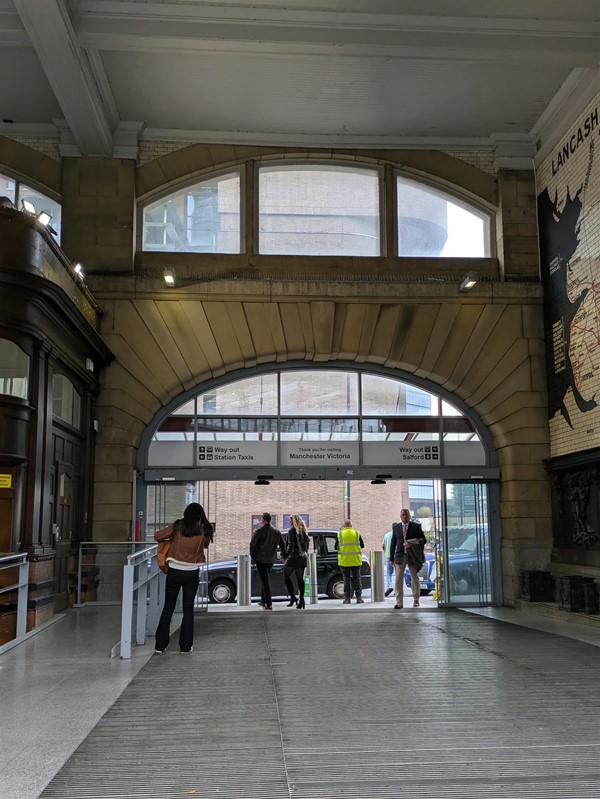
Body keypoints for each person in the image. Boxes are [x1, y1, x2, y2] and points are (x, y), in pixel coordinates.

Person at [154, 502, 213, 653]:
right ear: (201, 515)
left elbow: (158, 536)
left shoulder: (177, 526)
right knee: (188, 610)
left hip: (174, 571)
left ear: (186, 513)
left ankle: (160, 646)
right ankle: (185, 647)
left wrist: (171, 539)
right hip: (192, 572)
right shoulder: (204, 530)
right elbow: (205, 545)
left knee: (168, 607)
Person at [390, 508, 426, 609]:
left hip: (412, 556)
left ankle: (416, 599)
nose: (405, 517)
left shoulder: (416, 526)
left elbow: (423, 540)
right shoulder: (396, 527)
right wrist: (391, 558)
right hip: (400, 556)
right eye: (403, 515)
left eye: (407, 515)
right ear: (400, 516)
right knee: (398, 579)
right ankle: (399, 602)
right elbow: (393, 543)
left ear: (410, 516)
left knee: (414, 578)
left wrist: (411, 543)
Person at [250, 512, 287, 610]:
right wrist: (284, 555)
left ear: (264, 520)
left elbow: (252, 544)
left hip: (260, 559)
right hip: (271, 559)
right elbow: (283, 546)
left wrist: (253, 556)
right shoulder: (277, 532)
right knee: (264, 578)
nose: (261, 520)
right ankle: (263, 600)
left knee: (265, 581)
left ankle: (269, 603)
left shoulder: (259, 531)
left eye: (261, 518)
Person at [284, 514, 310, 609]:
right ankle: (301, 600)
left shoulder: (291, 530)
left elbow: (290, 545)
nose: (289, 522)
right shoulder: (303, 530)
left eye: (290, 520)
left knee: (286, 576)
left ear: (293, 521)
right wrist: (304, 552)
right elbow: (307, 543)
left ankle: (293, 597)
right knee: (300, 579)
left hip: (293, 558)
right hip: (302, 557)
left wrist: (285, 555)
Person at [336, 520, 365, 604]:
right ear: (351, 525)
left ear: (344, 526)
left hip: (344, 560)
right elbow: (362, 545)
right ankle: (359, 598)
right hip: (355, 560)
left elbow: (336, 547)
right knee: (357, 579)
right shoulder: (356, 533)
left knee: (346, 579)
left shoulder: (340, 534)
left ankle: (347, 599)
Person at [382, 529, 394, 596]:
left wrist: (386, 552)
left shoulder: (386, 535)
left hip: (388, 556)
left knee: (389, 573)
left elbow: (383, 546)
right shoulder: (398, 534)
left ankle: (389, 586)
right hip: (397, 556)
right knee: (398, 574)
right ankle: (398, 590)